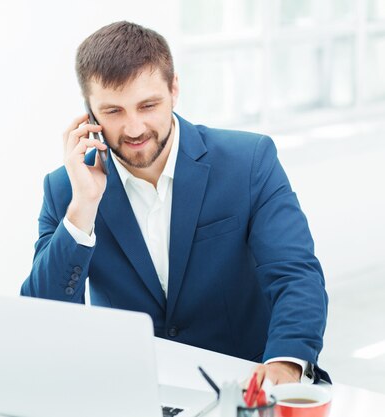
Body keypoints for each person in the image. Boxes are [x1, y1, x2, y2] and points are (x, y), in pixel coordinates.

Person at [21, 21, 330, 384]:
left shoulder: (248, 162)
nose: (134, 129)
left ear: (174, 89)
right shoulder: (66, 189)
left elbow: (295, 275)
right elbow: (43, 319)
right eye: (113, 112)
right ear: (88, 113)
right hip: (133, 389)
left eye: (148, 105)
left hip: (244, 385)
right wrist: (83, 209)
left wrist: (285, 364)